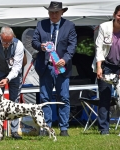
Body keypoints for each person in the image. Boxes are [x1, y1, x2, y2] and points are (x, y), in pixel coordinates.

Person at [32, 1, 77, 136]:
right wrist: (41, 46)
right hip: (45, 67)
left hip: (62, 68)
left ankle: (64, 129)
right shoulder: (41, 24)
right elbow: (34, 41)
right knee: (45, 98)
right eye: (51, 12)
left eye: (56, 12)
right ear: (48, 12)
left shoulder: (69, 26)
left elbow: (72, 45)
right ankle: (46, 128)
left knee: (64, 97)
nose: (54, 14)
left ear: (62, 12)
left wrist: (65, 59)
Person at [92, 5, 120, 135]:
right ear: (114, 15)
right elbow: (99, 47)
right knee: (104, 97)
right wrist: (99, 67)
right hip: (106, 64)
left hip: (119, 65)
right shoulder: (104, 27)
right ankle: (104, 129)